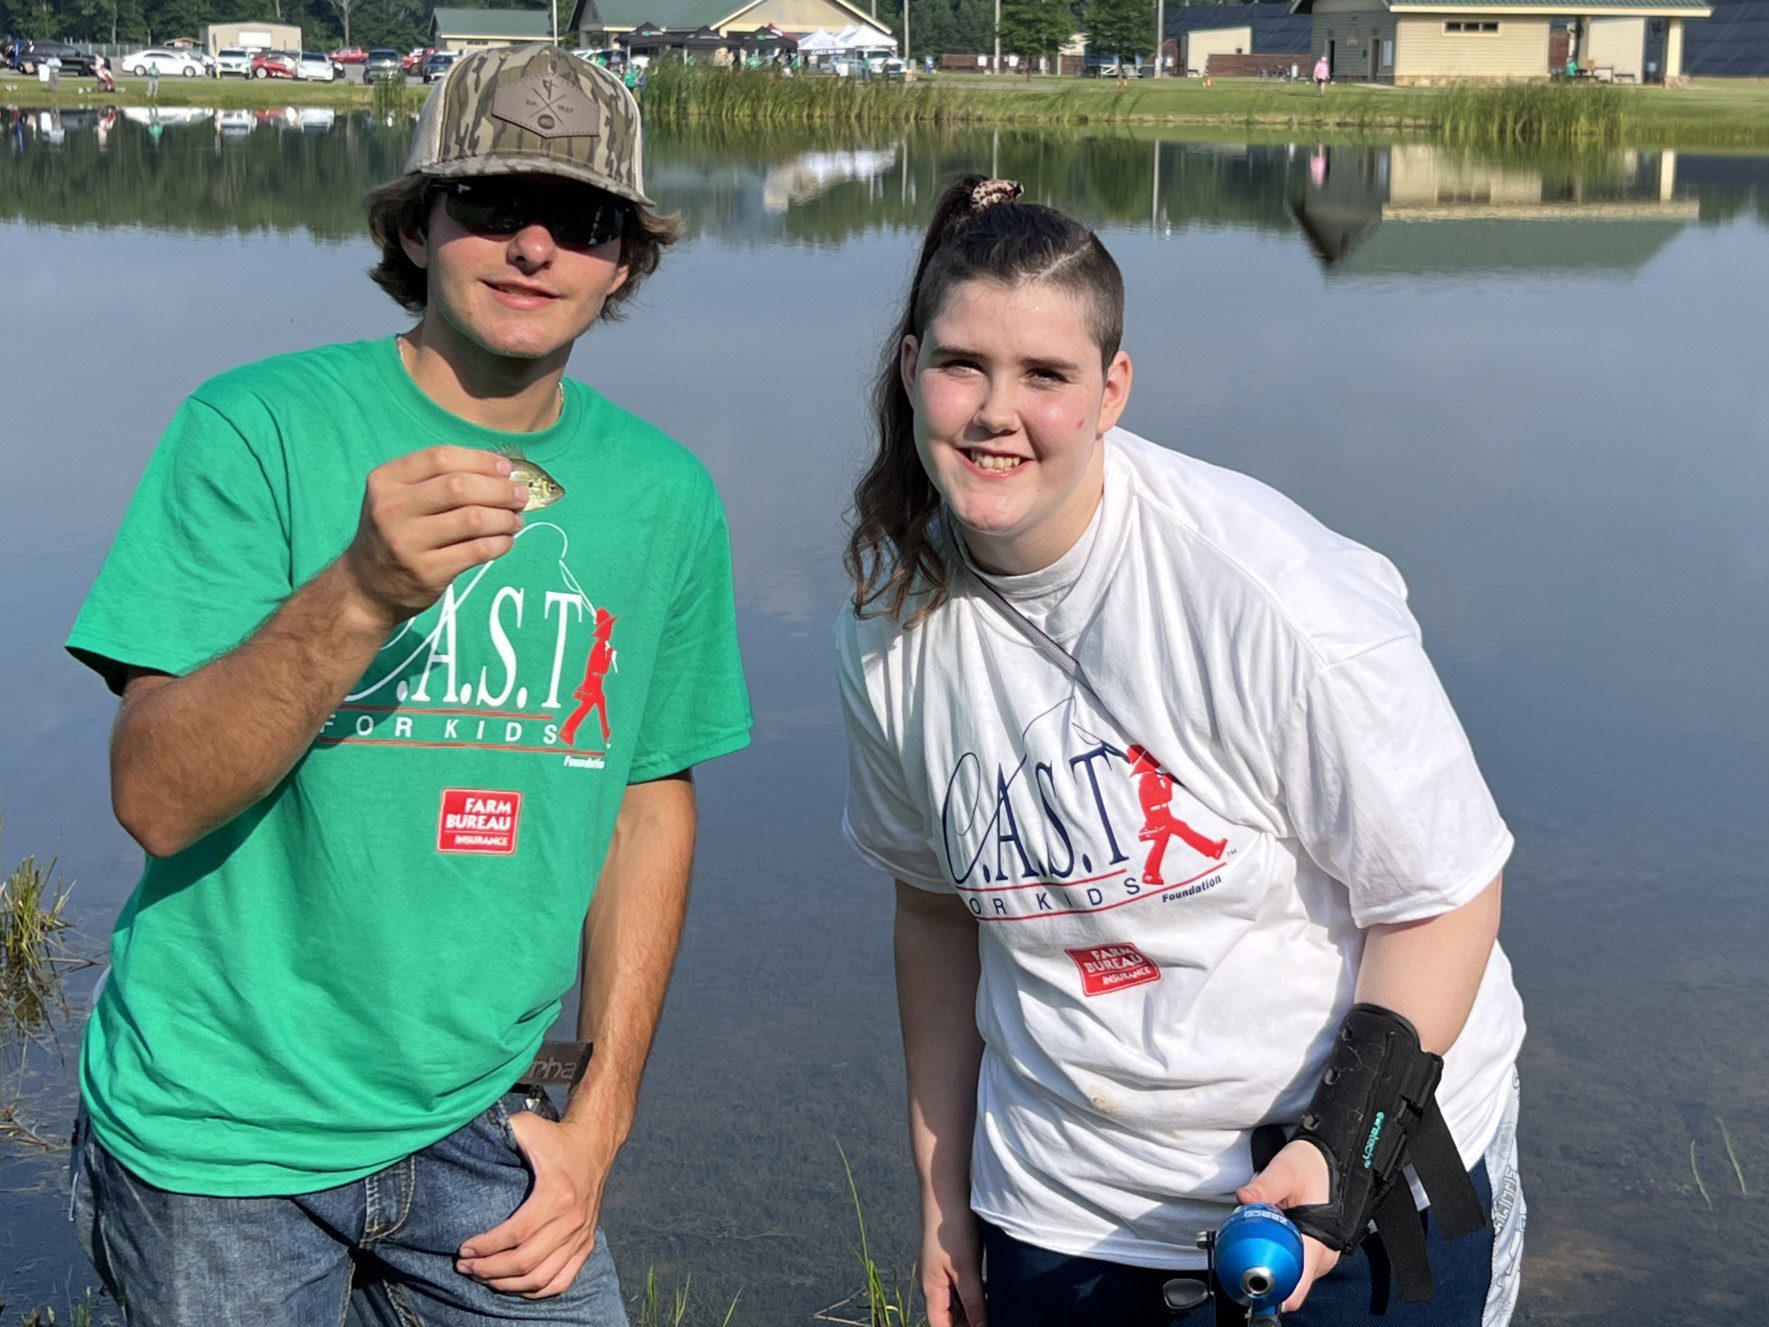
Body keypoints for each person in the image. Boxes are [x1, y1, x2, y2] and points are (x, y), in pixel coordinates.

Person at [65, 44, 751, 1327]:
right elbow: (155, 798)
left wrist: (600, 1120)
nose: (534, 246)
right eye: (492, 202)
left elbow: (647, 800)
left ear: (624, 261)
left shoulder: (665, 495)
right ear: (415, 223)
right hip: (221, 1134)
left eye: (583, 219)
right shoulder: (254, 429)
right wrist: (360, 590)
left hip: (488, 1122)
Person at [837, 175, 1525, 1327]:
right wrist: (942, 1195)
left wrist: (1337, 1152)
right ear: (910, 370)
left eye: (1044, 375)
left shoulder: (1275, 599)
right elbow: (935, 914)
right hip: (1059, 1213)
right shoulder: (890, 629)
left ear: (1111, 389)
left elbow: (1442, 902)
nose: (996, 412)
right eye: (961, 365)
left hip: (1336, 1204)